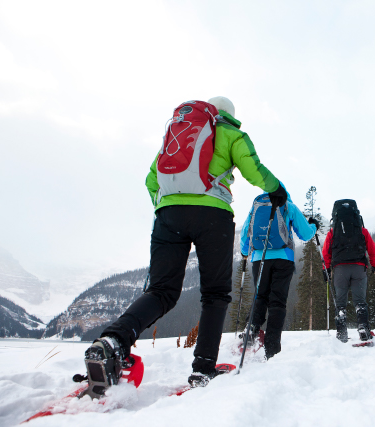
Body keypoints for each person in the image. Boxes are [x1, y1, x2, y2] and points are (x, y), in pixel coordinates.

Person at [84, 96, 288, 393]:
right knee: (215, 294)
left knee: (161, 291)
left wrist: (165, 206)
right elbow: (253, 169)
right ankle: (203, 368)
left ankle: (114, 340)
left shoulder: (181, 135)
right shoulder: (232, 135)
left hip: (168, 215)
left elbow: (151, 179)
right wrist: (276, 189)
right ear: (230, 115)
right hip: (213, 216)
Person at [238, 184, 318, 359]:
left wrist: (245, 253)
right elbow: (305, 234)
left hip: (259, 259)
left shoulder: (258, 205)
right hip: (283, 259)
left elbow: (245, 233)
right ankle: (272, 347)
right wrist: (314, 227)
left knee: (260, 296)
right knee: (277, 302)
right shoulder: (288, 205)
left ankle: (251, 329)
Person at [322, 200, 375, 343]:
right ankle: (363, 329)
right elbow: (373, 249)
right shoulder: (362, 231)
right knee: (360, 301)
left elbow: (326, 253)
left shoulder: (333, 232)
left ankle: (341, 333)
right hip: (359, 268)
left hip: (340, 269)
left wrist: (326, 270)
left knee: (340, 302)